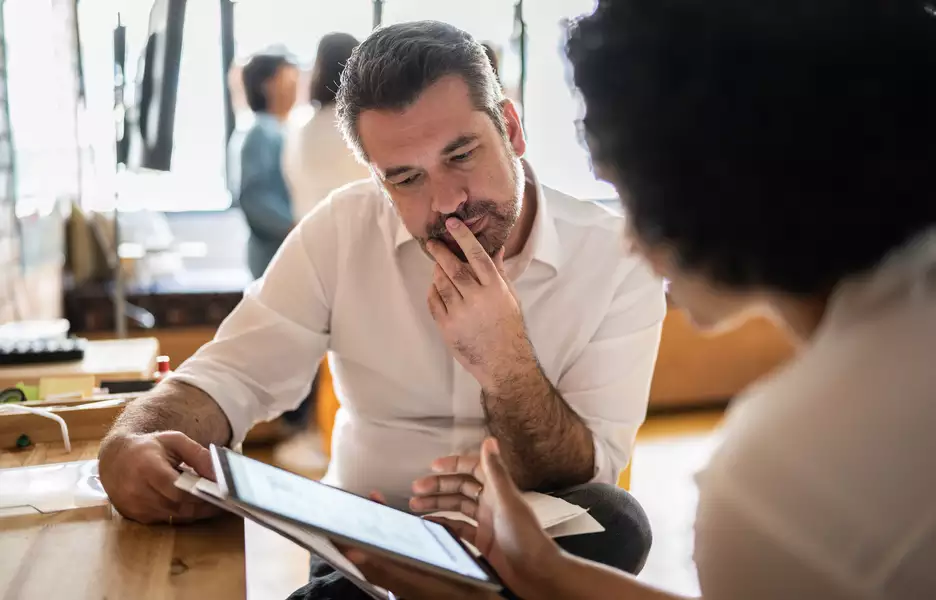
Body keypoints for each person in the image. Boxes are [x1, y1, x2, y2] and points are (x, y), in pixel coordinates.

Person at [340, 1, 936, 599]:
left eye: (631, 195)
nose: (629, 237)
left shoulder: (780, 485)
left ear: (715, 179)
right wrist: (550, 576)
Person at [96, 20, 666, 598]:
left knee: (617, 520)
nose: (446, 202)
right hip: (373, 531)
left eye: (462, 154)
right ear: (378, 177)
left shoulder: (617, 257)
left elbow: (587, 471)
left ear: (512, 129)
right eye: (407, 178)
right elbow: (226, 376)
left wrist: (505, 359)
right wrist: (129, 442)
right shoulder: (341, 230)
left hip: (525, 534)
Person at [282, 33, 370, 221]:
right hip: (361, 228)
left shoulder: (300, 127)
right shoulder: (366, 125)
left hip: (310, 229)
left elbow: (294, 183)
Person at [237, 51, 300, 279]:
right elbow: (254, 198)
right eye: (288, 78)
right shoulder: (260, 132)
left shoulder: (283, 129)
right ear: (267, 85)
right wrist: (295, 227)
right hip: (272, 253)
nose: (296, 84)